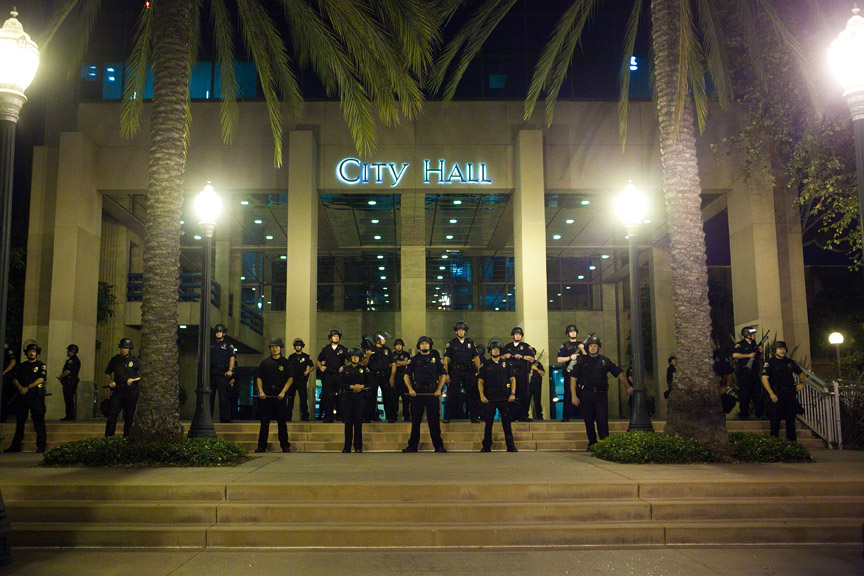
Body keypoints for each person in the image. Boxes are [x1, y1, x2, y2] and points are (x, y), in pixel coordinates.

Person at [570, 336, 634, 449]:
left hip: (601, 395)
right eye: (591, 346)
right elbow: (573, 379)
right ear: (587, 347)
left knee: (602, 419)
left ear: (599, 347)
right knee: (588, 420)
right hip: (586, 394)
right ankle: (592, 443)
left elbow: (619, 373)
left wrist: (627, 386)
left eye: (595, 346)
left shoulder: (605, 361)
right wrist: (574, 396)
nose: (593, 348)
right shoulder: (581, 361)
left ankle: (605, 444)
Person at [402, 336, 447, 453]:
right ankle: (412, 446)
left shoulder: (436, 359)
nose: (424, 345)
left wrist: (439, 389)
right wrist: (410, 389)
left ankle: (438, 446)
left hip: (432, 393)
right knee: (416, 421)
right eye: (422, 344)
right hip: (417, 394)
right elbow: (406, 375)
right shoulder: (414, 359)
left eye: (426, 343)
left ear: (430, 345)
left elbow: (443, 374)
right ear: (419, 346)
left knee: (434, 422)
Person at [3, 342, 47, 453]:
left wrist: (27, 387)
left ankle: (41, 446)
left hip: (35, 397)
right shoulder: (21, 366)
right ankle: (15, 446)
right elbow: (14, 378)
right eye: (30, 351)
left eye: (34, 351)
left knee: (39, 422)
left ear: (37, 353)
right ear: (26, 352)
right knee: (20, 422)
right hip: (22, 397)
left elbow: (41, 379)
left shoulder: (41, 365)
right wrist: (20, 387)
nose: (32, 353)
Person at [477, 338, 517, 452]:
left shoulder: (507, 364)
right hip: (490, 397)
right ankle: (486, 446)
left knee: (507, 423)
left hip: (504, 397)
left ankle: (510, 446)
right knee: (488, 424)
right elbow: (480, 381)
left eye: (497, 349)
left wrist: (512, 393)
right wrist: (482, 395)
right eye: (493, 349)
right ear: (490, 351)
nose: (495, 351)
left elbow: (513, 379)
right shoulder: (485, 364)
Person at [761, 341, 805, 442]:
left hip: (790, 394)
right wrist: (771, 393)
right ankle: (775, 443)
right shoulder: (770, 363)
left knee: (791, 420)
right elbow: (764, 379)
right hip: (777, 393)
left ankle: (792, 444)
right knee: (775, 421)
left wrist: (801, 383)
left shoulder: (790, 362)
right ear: (775, 350)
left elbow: (801, 373)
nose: (782, 351)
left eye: (784, 349)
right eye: (780, 349)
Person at [255, 337, 292, 453]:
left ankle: (285, 445)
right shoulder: (265, 363)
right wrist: (261, 391)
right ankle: (261, 446)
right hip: (266, 395)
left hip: (280, 394)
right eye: (272, 347)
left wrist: (283, 392)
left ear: (280, 348)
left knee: (282, 422)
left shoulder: (285, 363)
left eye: (276, 347)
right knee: (264, 422)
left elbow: (290, 378)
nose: (274, 349)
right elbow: (259, 378)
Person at [443, 319, 481, 423]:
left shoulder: (471, 343)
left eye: (463, 330)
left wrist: (479, 373)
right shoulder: (451, 344)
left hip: (469, 371)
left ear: (465, 331)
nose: (461, 332)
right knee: (451, 394)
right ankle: (447, 417)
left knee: (471, 394)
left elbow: (476, 358)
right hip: (456, 371)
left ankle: (474, 417)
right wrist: (446, 374)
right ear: (456, 331)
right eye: (459, 330)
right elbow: (446, 359)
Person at [104, 338, 141, 438]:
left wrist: (133, 380)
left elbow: (142, 375)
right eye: (122, 348)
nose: (123, 350)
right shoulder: (115, 360)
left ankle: (127, 437)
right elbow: (107, 373)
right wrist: (111, 382)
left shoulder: (135, 361)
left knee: (129, 416)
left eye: (125, 348)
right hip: (118, 391)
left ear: (130, 349)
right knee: (112, 414)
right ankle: (109, 437)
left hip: (130, 391)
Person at [340, 347, 371, 452]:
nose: (355, 358)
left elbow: (370, 383)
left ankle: (358, 447)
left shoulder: (364, 369)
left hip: (360, 398)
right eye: (353, 356)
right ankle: (347, 447)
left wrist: (361, 386)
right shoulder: (345, 369)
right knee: (348, 424)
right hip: (348, 397)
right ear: (350, 357)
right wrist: (352, 387)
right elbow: (340, 383)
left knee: (358, 423)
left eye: (357, 357)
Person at [502, 327, 535, 421]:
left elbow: (532, 358)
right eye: (516, 334)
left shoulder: (526, 346)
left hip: (522, 372)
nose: (518, 336)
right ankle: (511, 415)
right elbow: (500, 357)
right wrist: (505, 356)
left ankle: (523, 415)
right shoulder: (507, 346)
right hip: (510, 373)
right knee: (511, 393)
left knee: (523, 394)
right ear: (513, 335)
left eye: (519, 334)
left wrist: (522, 356)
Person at [733, 326, 764, 420]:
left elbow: (760, 358)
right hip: (744, 372)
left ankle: (760, 414)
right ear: (747, 335)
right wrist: (748, 355)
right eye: (752, 334)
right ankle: (743, 414)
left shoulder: (755, 345)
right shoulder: (740, 345)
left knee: (756, 393)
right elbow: (735, 355)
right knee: (744, 393)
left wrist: (761, 352)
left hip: (754, 371)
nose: (754, 335)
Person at [363, 331, 395, 422]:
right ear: (377, 340)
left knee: (388, 397)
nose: (385, 340)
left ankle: (390, 416)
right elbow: (364, 364)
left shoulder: (387, 350)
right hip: (373, 376)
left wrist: (392, 377)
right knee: (371, 397)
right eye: (383, 338)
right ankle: (369, 416)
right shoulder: (371, 350)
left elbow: (393, 364)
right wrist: (368, 356)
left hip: (385, 376)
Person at [317, 328, 347, 422]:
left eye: (337, 336)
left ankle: (340, 415)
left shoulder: (343, 349)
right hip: (328, 375)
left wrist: (344, 367)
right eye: (334, 336)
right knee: (328, 396)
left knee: (340, 395)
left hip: (339, 375)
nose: (336, 338)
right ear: (330, 338)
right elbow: (318, 360)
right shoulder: (326, 349)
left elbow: (350, 360)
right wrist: (321, 367)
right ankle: (328, 416)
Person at [556, 324, 586, 421]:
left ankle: (584, 416)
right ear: (568, 333)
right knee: (568, 395)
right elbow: (559, 359)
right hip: (569, 374)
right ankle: (566, 416)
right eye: (571, 332)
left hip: (581, 374)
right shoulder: (565, 345)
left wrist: (582, 349)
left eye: (574, 331)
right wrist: (570, 358)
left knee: (582, 394)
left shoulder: (581, 344)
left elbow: (588, 358)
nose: (573, 333)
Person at [209, 324, 236, 423]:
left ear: (223, 333)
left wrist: (230, 370)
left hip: (222, 373)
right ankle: (208, 417)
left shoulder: (228, 345)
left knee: (224, 396)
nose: (218, 333)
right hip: (211, 372)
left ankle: (225, 417)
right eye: (217, 332)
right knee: (209, 397)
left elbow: (232, 357)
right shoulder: (211, 344)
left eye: (220, 332)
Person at [286, 338, 314, 421]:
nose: (298, 347)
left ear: (302, 346)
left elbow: (312, 366)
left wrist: (308, 371)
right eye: (297, 346)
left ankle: (305, 416)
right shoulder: (291, 357)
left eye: (299, 346)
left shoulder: (306, 356)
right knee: (290, 399)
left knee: (303, 399)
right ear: (295, 347)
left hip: (302, 380)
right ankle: (288, 417)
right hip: (292, 380)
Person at [59, 344, 81, 421]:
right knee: (69, 399)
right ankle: (70, 415)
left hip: (69, 382)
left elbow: (67, 371)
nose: (67, 352)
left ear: (72, 351)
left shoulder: (71, 360)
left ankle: (69, 416)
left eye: (68, 350)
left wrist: (61, 376)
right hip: (72, 381)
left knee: (68, 399)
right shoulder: (76, 360)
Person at [392, 338, 412, 421]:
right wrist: (399, 363)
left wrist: (395, 362)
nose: (399, 347)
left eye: (400, 345)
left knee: (406, 398)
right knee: (394, 398)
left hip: (404, 377)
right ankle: (394, 416)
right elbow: (390, 364)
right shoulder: (392, 354)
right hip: (395, 377)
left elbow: (406, 363)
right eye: (397, 345)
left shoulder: (406, 354)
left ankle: (406, 415)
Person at [1, 340, 17, 423]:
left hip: (6, 379)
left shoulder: (8, 351)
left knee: (4, 398)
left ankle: (3, 417)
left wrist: (4, 372)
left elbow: (13, 362)